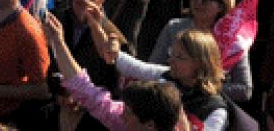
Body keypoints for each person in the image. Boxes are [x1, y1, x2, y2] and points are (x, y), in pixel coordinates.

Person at [41, 12, 191, 131]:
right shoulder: (122, 119)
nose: (121, 115)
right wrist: (58, 42)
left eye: (128, 113)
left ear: (150, 125)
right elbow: (86, 90)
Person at [95, 27, 230, 131]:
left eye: (180, 57)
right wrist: (114, 51)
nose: (171, 60)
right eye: (172, 53)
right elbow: (134, 67)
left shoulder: (215, 110)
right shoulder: (167, 75)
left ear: (201, 64)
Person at [148, 0, 252, 104]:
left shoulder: (233, 39)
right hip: (169, 99)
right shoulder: (173, 27)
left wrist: (201, 87)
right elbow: (153, 65)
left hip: (209, 107)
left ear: (220, 6)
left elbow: (245, 90)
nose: (198, 2)